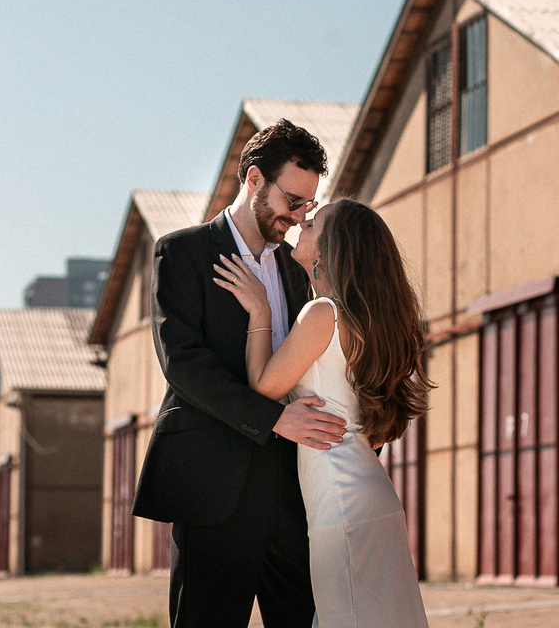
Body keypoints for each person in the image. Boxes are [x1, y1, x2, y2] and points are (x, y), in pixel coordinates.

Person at [132, 119, 347, 628]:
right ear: (253, 179)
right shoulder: (181, 252)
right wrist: (275, 419)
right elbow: (184, 365)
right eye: (292, 200)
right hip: (213, 488)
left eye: (308, 205)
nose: (298, 216)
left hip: (294, 492)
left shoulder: (298, 266)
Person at [214, 197, 432, 628]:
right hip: (371, 494)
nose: (301, 225)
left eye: (313, 224)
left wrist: (260, 310)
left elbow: (263, 387)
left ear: (334, 247)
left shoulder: (323, 313)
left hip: (341, 500)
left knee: (343, 618)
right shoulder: (365, 319)